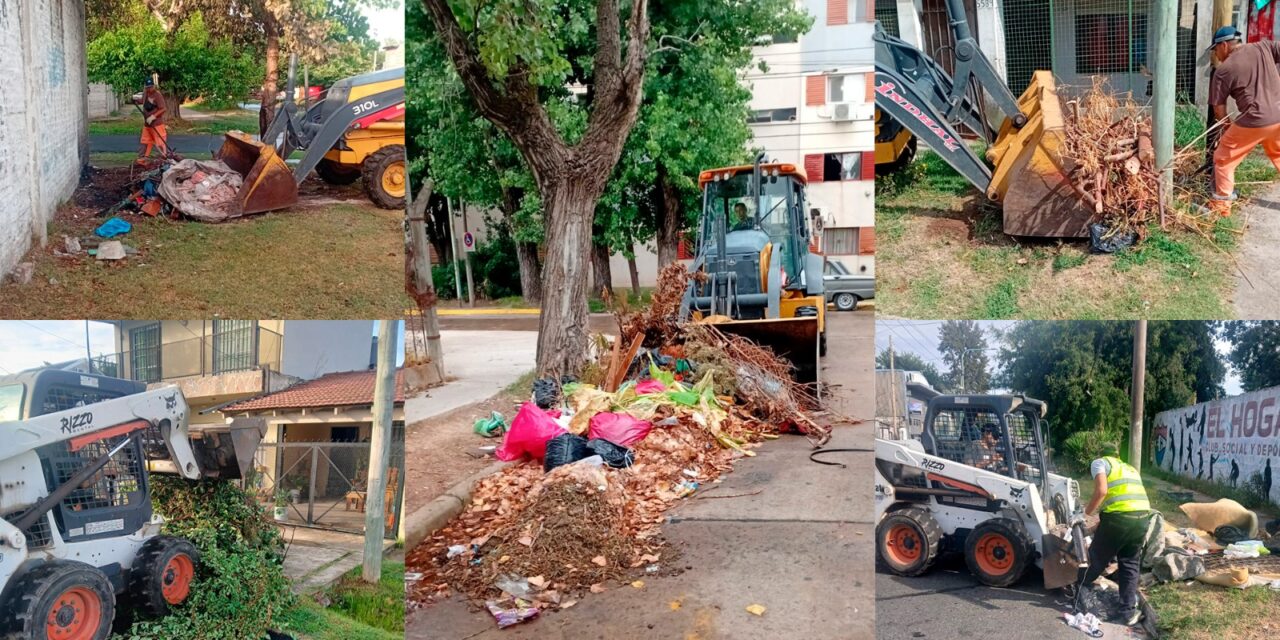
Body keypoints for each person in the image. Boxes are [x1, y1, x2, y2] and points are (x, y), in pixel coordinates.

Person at [1077, 443, 1152, 627]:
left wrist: (1084, 515)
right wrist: (1095, 527)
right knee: (1130, 563)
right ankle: (1128, 612)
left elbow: (1102, 491)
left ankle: (1078, 586)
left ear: (1101, 454)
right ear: (1117, 454)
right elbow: (1123, 504)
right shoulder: (1129, 468)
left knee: (1096, 556)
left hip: (1119, 518)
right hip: (1142, 517)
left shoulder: (1100, 463)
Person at [1207, 26, 1280, 214]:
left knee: (1223, 159)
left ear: (1224, 45)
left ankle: (1221, 206)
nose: (1216, 54)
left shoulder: (1223, 71)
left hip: (1254, 120)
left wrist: (1227, 126)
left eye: (1215, 49)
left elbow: (1219, 108)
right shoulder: (1264, 47)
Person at [135, 76, 168, 164]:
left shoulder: (157, 95)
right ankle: (142, 159)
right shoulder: (146, 92)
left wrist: (153, 116)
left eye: (151, 87)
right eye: (148, 87)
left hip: (156, 124)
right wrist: (136, 101)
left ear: (154, 86)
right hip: (147, 124)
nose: (150, 89)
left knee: (159, 142)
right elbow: (143, 100)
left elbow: (163, 108)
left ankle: (164, 159)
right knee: (145, 141)